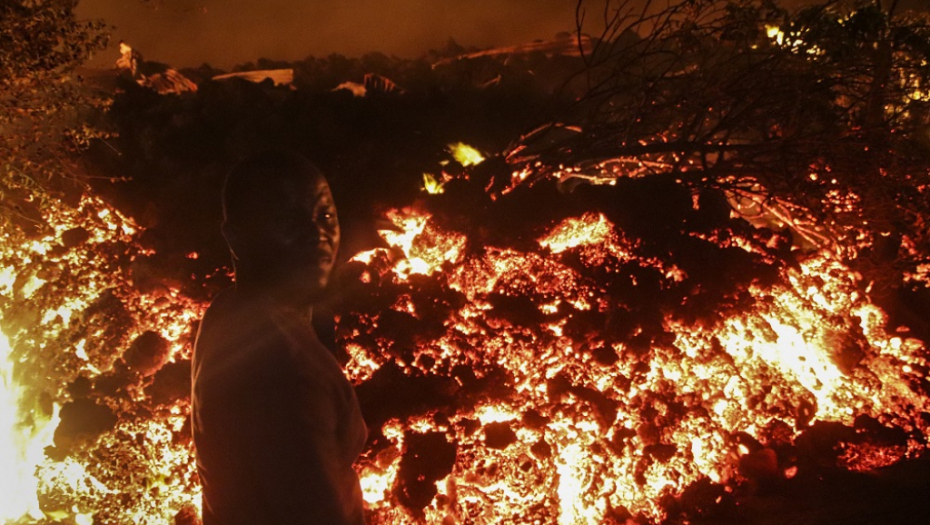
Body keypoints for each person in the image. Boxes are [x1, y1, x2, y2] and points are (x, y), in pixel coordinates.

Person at [191, 150, 368, 525]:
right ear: (236, 239)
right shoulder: (282, 372)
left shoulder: (233, 310)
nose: (316, 234)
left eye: (324, 216)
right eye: (287, 221)